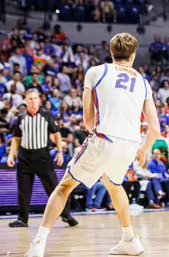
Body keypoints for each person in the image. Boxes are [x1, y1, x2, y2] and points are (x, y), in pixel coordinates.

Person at [25, 33, 160, 256]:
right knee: (114, 185)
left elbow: (88, 121)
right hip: (129, 146)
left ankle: (38, 243)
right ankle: (130, 239)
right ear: (133, 55)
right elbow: (154, 128)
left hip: (104, 139)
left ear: (110, 52)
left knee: (65, 186)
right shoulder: (144, 83)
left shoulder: (96, 72)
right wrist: (144, 150)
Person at [7, 89, 77, 228]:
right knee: (23, 190)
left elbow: (56, 134)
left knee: (53, 189)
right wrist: (11, 154)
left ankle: (66, 215)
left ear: (39, 100)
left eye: (35, 98)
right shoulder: (20, 118)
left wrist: (59, 152)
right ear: (26, 101)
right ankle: (22, 219)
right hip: (25, 157)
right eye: (30, 99)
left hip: (42, 156)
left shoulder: (47, 115)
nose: (33, 101)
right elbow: (16, 139)